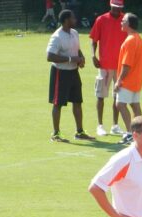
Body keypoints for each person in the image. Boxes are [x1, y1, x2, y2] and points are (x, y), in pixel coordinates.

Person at [47, 9, 95, 142]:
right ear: (66, 20)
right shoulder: (57, 36)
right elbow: (50, 56)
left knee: (77, 101)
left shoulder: (74, 33)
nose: (75, 20)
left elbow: (77, 49)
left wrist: (81, 57)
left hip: (74, 73)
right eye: (73, 18)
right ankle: (56, 134)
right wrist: (71, 59)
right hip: (60, 73)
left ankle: (80, 132)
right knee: (58, 103)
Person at [89, 0, 127, 137]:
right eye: (114, 7)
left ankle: (115, 125)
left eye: (119, 8)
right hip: (104, 64)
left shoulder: (125, 20)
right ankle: (100, 125)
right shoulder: (101, 19)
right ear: (110, 5)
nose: (117, 10)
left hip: (121, 65)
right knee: (100, 95)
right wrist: (93, 56)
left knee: (118, 96)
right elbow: (93, 40)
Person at [115, 13, 142, 145]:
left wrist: (119, 80)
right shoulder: (138, 38)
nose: (121, 22)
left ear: (129, 24)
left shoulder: (130, 40)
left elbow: (126, 65)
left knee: (120, 104)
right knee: (135, 106)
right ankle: (139, 133)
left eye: (123, 21)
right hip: (136, 79)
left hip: (128, 80)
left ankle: (129, 133)